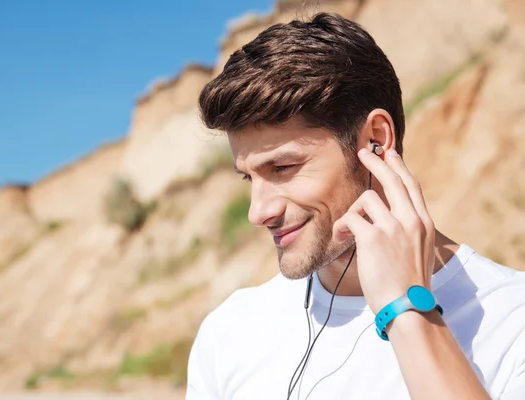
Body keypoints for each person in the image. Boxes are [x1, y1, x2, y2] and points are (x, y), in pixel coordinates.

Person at [184, 12, 525, 400]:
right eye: (249, 177)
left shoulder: (513, 324)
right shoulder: (230, 331)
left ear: (376, 141)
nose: (258, 212)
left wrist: (407, 309)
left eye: (282, 167)